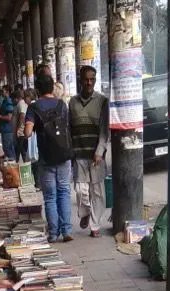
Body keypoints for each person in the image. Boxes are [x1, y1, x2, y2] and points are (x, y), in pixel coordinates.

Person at [25, 72, 74, 243]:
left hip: (46, 157)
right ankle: (67, 230)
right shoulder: (62, 104)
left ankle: (53, 233)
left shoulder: (34, 107)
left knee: (50, 196)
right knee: (64, 192)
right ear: (52, 87)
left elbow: (27, 132)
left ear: (37, 89)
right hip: (64, 154)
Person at [69, 64, 108, 236]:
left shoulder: (102, 101)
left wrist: (100, 151)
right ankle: (84, 212)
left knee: (97, 191)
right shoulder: (72, 102)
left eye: (92, 79)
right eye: (86, 79)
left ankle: (95, 225)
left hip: (95, 155)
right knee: (80, 190)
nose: (89, 83)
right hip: (78, 152)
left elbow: (104, 130)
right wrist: (71, 150)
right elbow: (69, 128)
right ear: (80, 80)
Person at [0, 84, 16, 159]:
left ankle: (12, 163)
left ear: (7, 91)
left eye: (3, 91)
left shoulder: (8, 101)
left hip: (8, 129)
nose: (2, 93)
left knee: (8, 148)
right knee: (6, 148)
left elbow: (9, 117)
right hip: (4, 128)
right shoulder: (4, 101)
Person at [14, 86, 29, 160]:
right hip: (23, 130)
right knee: (22, 148)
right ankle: (24, 161)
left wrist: (18, 129)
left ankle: (17, 161)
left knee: (19, 148)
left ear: (16, 98)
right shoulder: (23, 103)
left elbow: (22, 116)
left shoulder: (21, 103)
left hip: (21, 131)